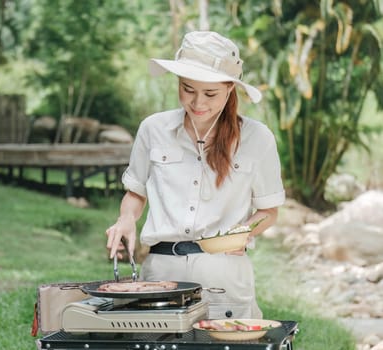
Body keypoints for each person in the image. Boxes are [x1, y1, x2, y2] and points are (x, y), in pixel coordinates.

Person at [105, 31, 285, 319]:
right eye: (188, 89)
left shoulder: (257, 138)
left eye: (210, 94)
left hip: (224, 274)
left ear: (230, 89)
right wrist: (126, 220)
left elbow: (269, 210)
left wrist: (244, 233)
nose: (198, 102)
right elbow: (135, 192)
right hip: (160, 272)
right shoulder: (153, 129)